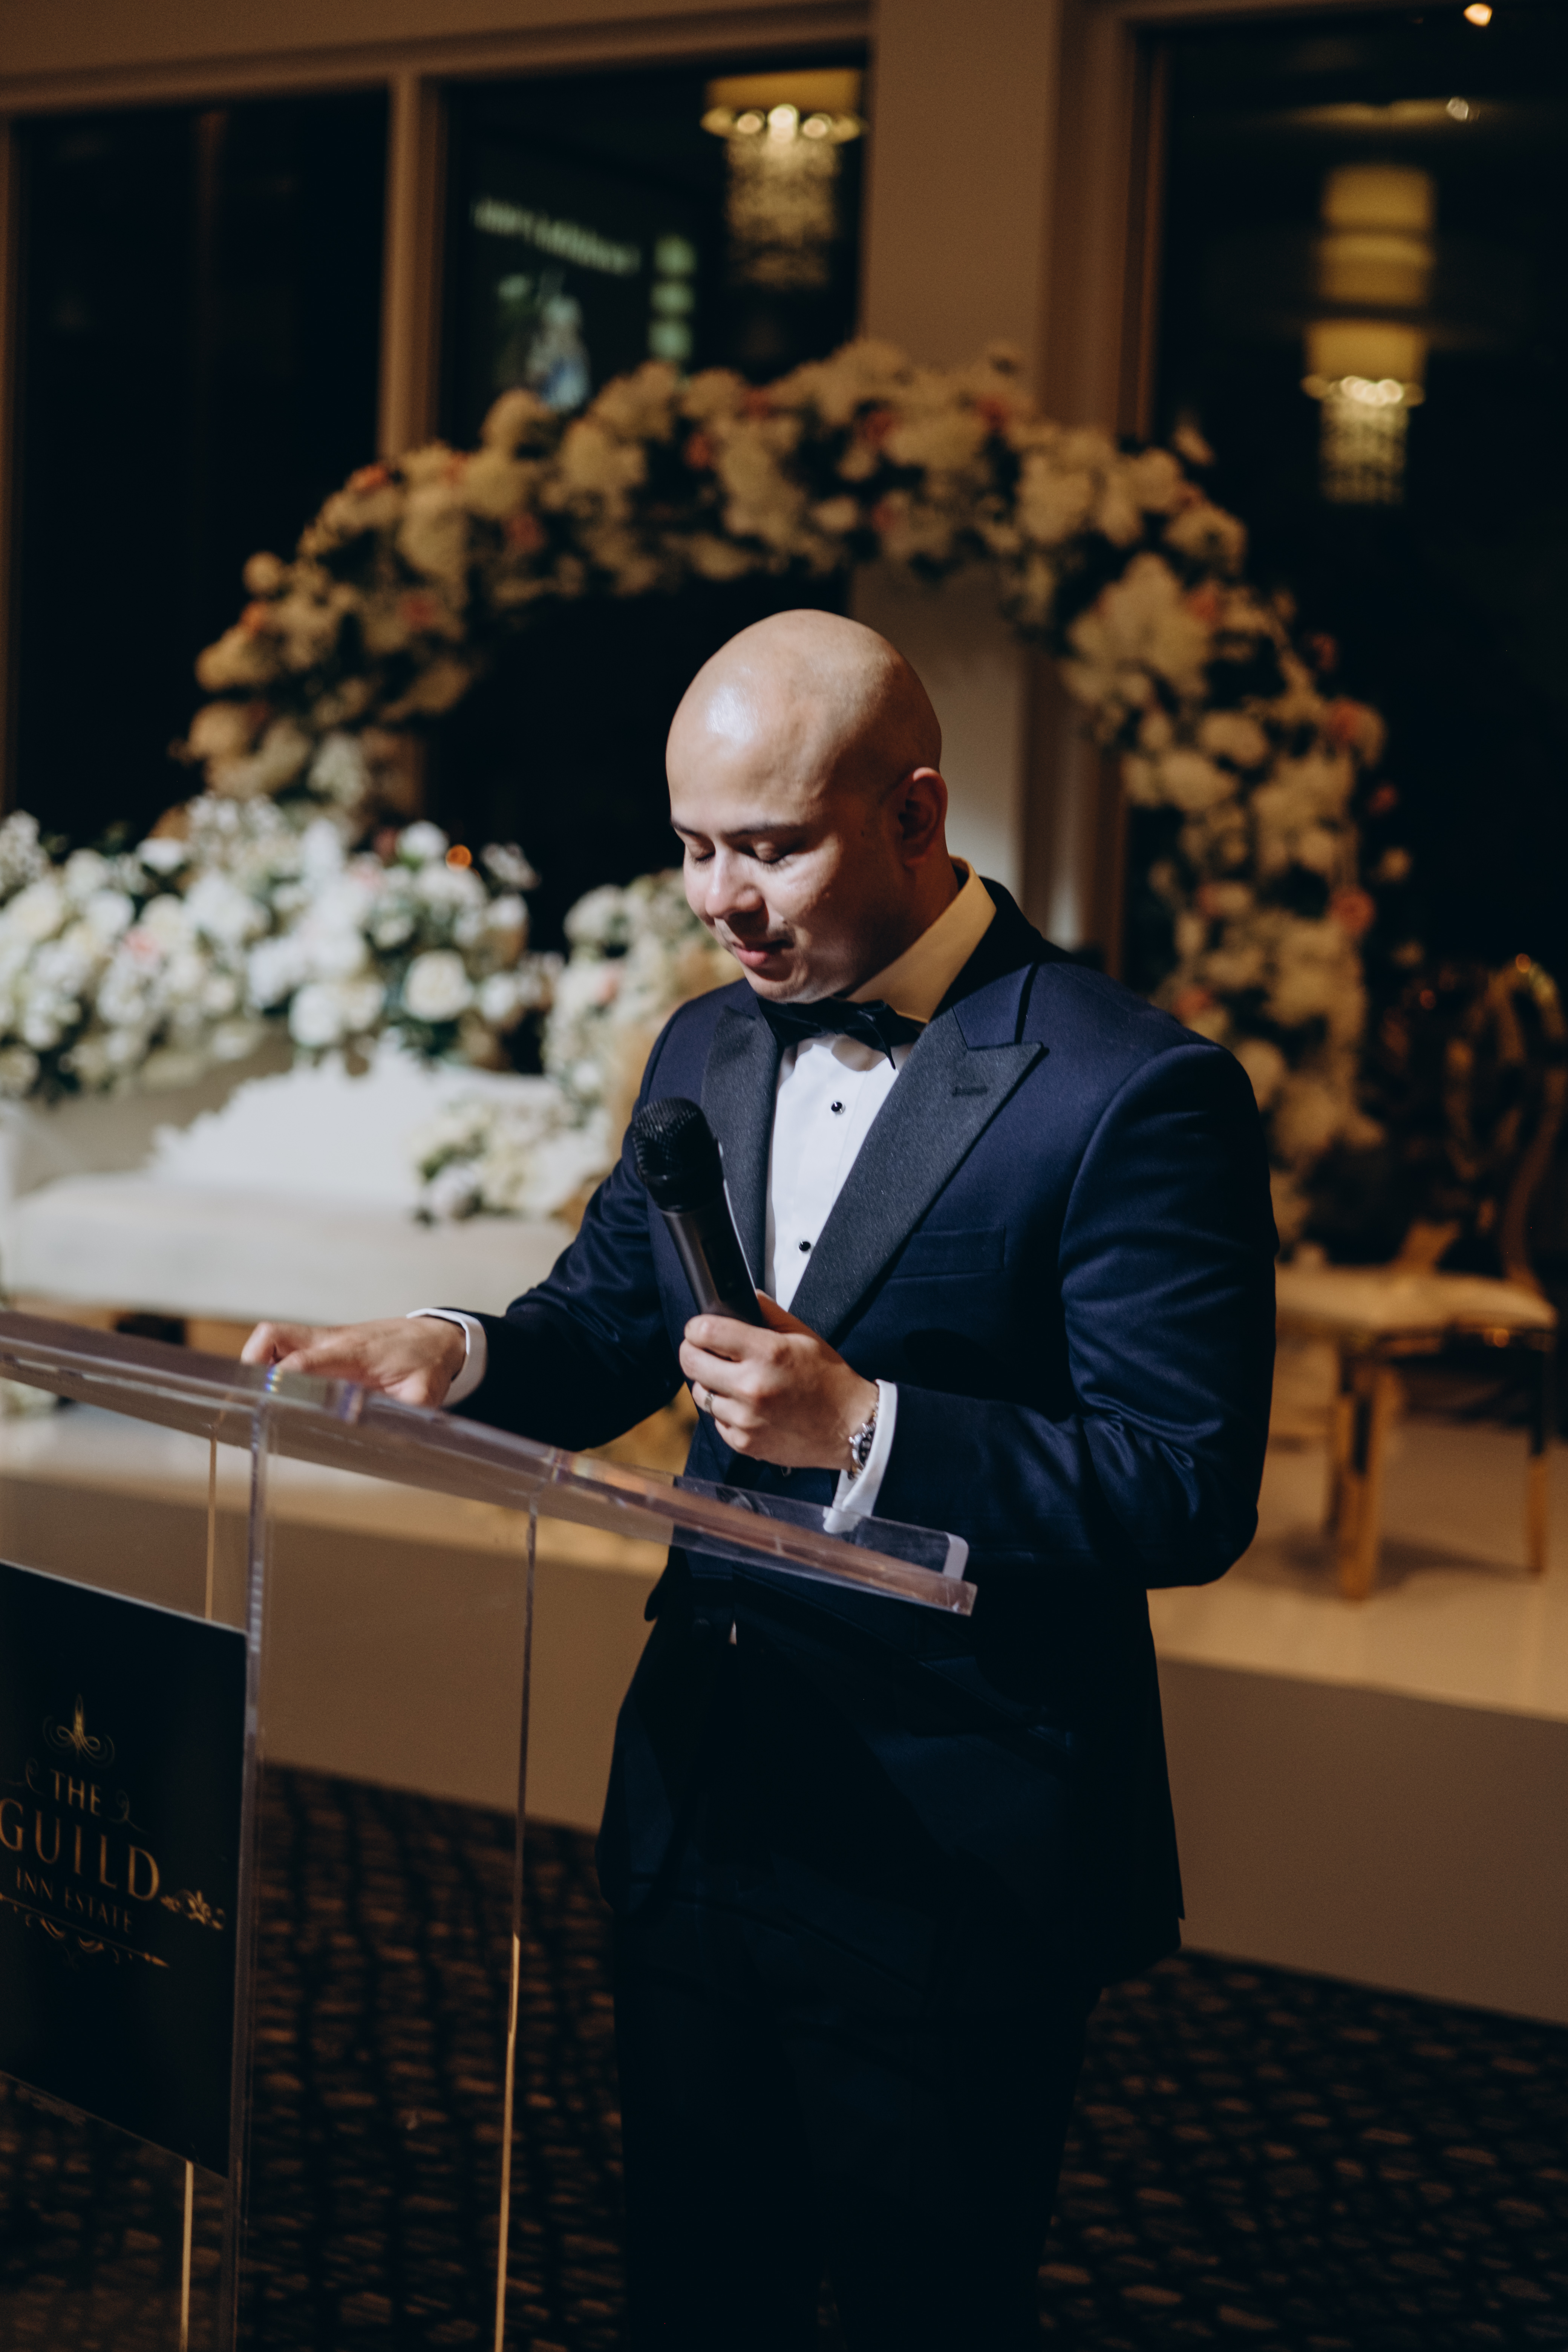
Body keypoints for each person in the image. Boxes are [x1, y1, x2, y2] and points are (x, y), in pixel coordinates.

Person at [244, 609, 1276, 2351]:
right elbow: (608, 1325)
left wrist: (869, 1429)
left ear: (915, 814)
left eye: (770, 847)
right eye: (692, 847)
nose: (719, 900)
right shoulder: (702, 1047)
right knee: (691, 2296)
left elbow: (1184, 1485)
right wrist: (451, 1349)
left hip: (955, 1846)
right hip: (701, 1795)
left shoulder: (1131, 1089)